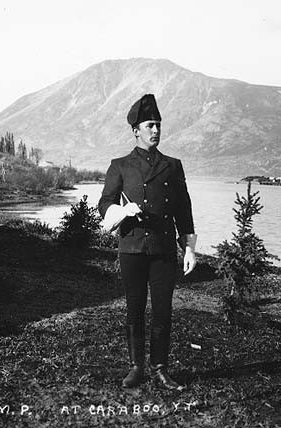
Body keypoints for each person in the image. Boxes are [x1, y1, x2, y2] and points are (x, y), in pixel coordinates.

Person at [98, 94, 198, 390]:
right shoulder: (120, 165)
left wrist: (189, 247)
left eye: (158, 125)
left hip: (164, 250)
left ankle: (160, 369)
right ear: (136, 131)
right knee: (134, 308)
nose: (155, 130)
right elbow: (104, 202)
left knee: (163, 309)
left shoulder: (172, 166)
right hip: (130, 248)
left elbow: (184, 209)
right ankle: (136, 367)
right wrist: (121, 211)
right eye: (150, 125)